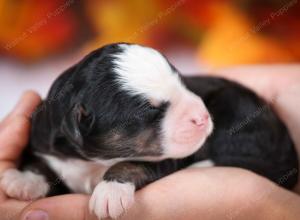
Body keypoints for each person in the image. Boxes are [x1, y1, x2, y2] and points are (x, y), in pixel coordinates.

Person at [1, 72, 300, 220]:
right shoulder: (55, 132)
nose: (199, 111)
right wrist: (36, 176)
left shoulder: (215, 114)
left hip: (251, 145)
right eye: (152, 111)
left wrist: (267, 203)